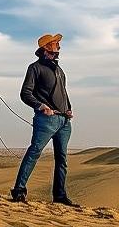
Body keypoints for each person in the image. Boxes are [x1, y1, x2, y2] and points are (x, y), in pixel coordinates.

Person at [10, 33, 81, 207]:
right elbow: (25, 93)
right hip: (46, 119)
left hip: (64, 121)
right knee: (34, 152)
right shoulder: (35, 68)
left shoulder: (59, 70)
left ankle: (60, 196)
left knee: (62, 159)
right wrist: (41, 106)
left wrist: (68, 108)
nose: (59, 46)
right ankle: (19, 190)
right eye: (56, 43)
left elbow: (63, 92)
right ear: (46, 47)